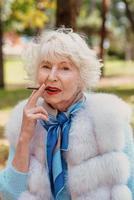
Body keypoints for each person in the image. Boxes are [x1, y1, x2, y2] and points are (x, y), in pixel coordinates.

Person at [0, 27, 134, 200]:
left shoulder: (108, 118)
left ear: (81, 77)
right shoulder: (23, 118)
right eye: (46, 66)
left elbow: (131, 186)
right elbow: (11, 193)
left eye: (65, 68)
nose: (52, 77)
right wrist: (25, 136)